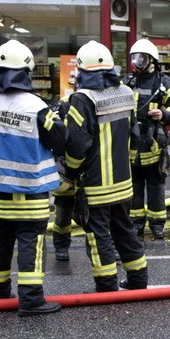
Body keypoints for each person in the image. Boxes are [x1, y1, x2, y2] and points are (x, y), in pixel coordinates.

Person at [0, 40, 67, 316]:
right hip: (29, 193)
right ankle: (31, 301)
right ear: (26, 72)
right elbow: (60, 140)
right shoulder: (34, 106)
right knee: (31, 246)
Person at [62, 40, 148, 292]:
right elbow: (135, 136)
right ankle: (137, 279)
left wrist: (70, 172)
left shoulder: (82, 98)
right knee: (125, 231)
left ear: (81, 70)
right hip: (123, 182)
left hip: (95, 184)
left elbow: (77, 146)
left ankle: (107, 286)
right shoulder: (124, 92)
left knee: (98, 236)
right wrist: (127, 163)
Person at [124, 39, 170, 240]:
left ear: (151, 60)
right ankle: (136, 224)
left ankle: (157, 225)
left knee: (156, 188)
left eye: (141, 57)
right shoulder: (128, 82)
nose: (137, 61)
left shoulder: (164, 83)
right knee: (135, 189)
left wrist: (164, 114)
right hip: (132, 145)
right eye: (134, 57)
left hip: (154, 145)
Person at [51, 69, 78, 261]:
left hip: (86, 169)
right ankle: (61, 246)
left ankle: (104, 248)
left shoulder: (92, 106)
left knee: (94, 213)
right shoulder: (62, 107)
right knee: (62, 214)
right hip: (66, 168)